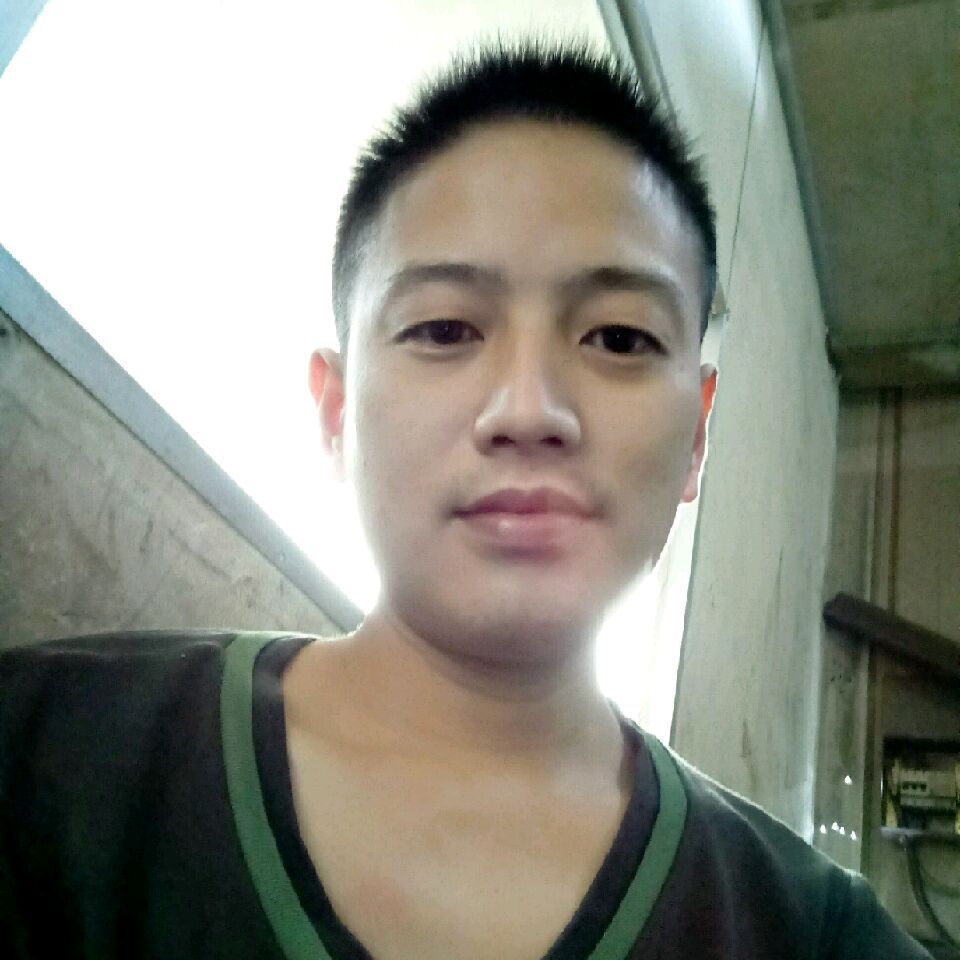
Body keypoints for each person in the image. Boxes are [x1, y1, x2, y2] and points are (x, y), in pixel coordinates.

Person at [0, 41, 931, 960]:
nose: (529, 411)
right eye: (444, 328)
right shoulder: (48, 752)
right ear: (336, 412)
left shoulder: (808, 931)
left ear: (697, 434)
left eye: (618, 338)